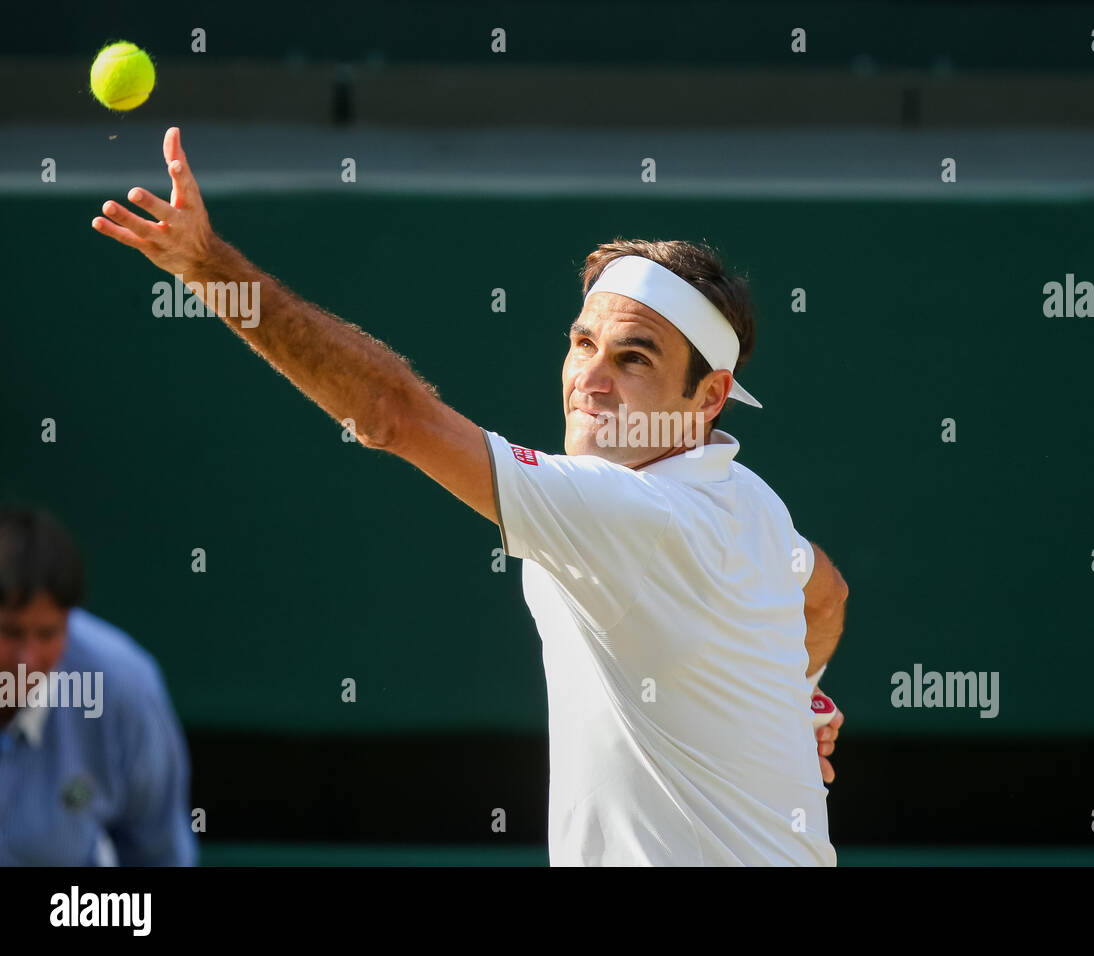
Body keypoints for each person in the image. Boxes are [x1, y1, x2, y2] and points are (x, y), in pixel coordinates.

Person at [90, 127, 850, 865]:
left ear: (708, 396)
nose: (590, 378)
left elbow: (392, 415)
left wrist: (207, 267)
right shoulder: (747, 500)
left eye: (634, 359)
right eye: (583, 343)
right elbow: (824, 596)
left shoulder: (635, 515)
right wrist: (795, 701)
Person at [0, 506, 197, 866]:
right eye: (9, 632)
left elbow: (160, 854)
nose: (26, 660)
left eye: (48, 634)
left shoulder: (122, 685)